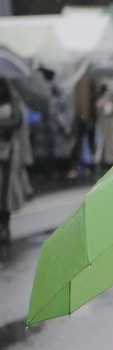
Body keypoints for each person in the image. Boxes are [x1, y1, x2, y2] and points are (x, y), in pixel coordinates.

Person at [0, 78, 32, 246]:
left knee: (6, 189)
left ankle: (4, 224)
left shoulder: (9, 92)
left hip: (8, 149)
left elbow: (18, 120)